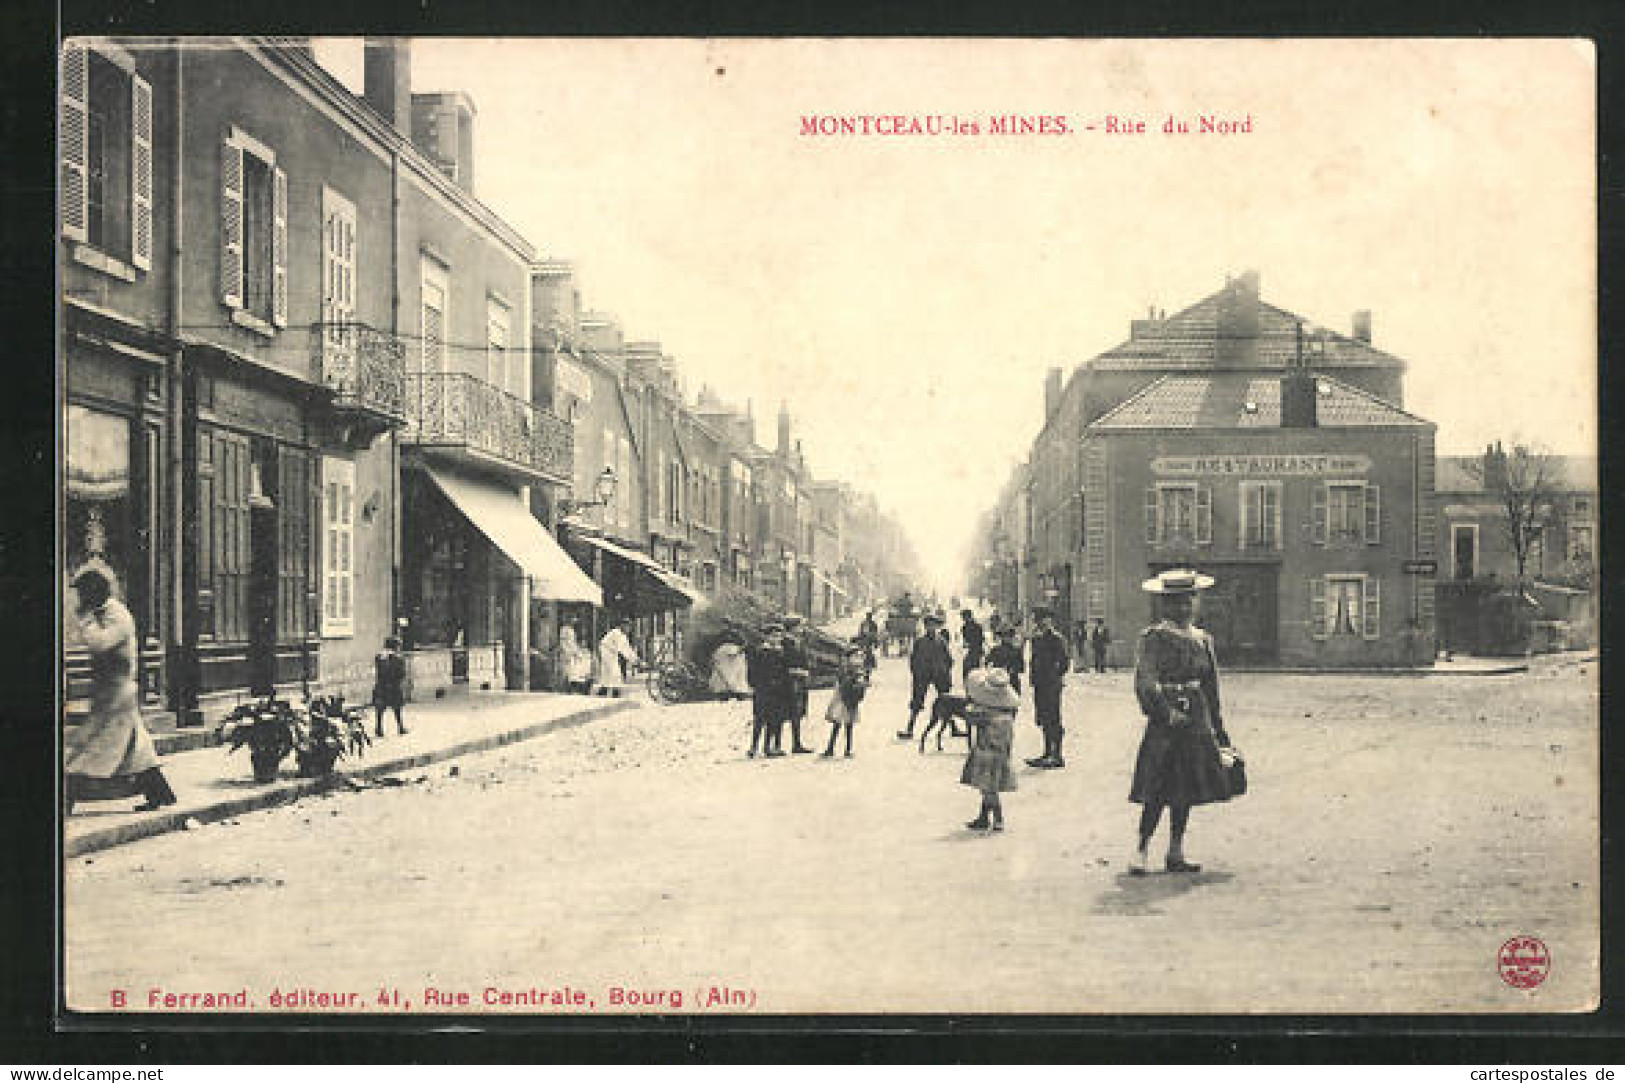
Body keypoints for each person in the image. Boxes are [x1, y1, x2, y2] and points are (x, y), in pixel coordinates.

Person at [1128, 569, 1234, 875]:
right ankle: (1141, 849)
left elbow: (1211, 687)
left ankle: (1176, 851)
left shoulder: (1203, 640)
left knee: (1185, 785)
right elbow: (1145, 679)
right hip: (1167, 721)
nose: (1183, 608)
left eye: (1188, 601)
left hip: (1196, 720)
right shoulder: (1154, 638)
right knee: (1157, 785)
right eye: (1175, 603)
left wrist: (1218, 728)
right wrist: (1164, 711)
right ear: (1164, 605)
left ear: (1195, 603)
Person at [64, 565, 177, 814]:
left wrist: (85, 620)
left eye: (83, 593)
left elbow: (100, 643)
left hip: (117, 694)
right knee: (136, 750)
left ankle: (65, 798)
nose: (81, 598)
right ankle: (161, 794)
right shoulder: (104, 612)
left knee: (88, 747)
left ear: (95, 592)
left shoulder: (117, 615)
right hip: (109, 692)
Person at [960, 667, 1020, 833]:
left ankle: (998, 818)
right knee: (987, 786)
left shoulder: (987, 714)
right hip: (1001, 753)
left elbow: (971, 718)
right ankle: (984, 817)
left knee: (988, 789)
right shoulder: (1007, 714)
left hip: (987, 753)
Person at [1025, 607, 1072, 769]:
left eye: (1042, 619)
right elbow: (1033, 661)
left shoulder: (1056, 639)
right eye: (1037, 620)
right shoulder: (1036, 639)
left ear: (1049, 620)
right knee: (1043, 718)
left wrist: (1054, 676)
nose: (1039, 623)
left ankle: (1057, 755)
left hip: (1051, 684)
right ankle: (1046, 753)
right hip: (1039, 683)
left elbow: (1065, 662)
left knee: (1053, 718)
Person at [898, 612, 953, 740]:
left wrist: (945, 673)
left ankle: (953, 728)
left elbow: (949, 659)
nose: (931, 628)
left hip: (939, 675)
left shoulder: (941, 641)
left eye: (933, 625)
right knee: (917, 702)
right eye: (928, 625)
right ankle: (909, 729)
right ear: (925, 627)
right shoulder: (920, 642)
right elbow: (913, 659)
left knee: (946, 701)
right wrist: (916, 674)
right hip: (923, 675)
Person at [746, 624, 790, 757]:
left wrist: (784, 685)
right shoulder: (760, 652)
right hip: (763, 690)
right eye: (773, 636)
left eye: (779, 636)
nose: (776, 639)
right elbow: (752, 670)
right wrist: (756, 685)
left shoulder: (781, 652)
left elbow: (784, 671)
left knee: (774, 719)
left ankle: (768, 747)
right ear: (767, 636)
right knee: (759, 719)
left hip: (778, 691)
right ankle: (753, 747)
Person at [821, 643, 871, 758]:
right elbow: (844, 684)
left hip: (852, 700)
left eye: (859, 656)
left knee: (849, 725)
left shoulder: (859, 669)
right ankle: (830, 748)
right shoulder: (844, 669)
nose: (858, 659)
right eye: (855, 656)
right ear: (849, 657)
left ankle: (848, 749)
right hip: (842, 699)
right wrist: (856, 680)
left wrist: (863, 683)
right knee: (837, 724)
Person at [780, 615, 815, 753]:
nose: (802, 629)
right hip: (790, 681)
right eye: (800, 626)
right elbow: (786, 663)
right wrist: (800, 672)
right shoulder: (786, 643)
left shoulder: (797, 641)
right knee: (788, 711)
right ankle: (777, 744)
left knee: (797, 712)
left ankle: (796, 743)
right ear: (793, 627)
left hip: (799, 680)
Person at [372, 635, 409, 736]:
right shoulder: (399, 658)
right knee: (397, 708)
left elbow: (378, 671)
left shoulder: (379, 656)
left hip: (381, 685)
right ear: (396, 646)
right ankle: (400, 727)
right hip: (394, 686)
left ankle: (379, 729)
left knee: (380, 709)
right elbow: (401, 673)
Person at [597, 617, 639, 691]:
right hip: (607, 650)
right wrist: (633, 660)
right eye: (627, 626)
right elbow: (622, 649)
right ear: (622, 626)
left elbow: (627, 648)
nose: (628, 629)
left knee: (607, 670)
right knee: (614, 669)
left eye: (629, 627)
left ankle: (603, 689)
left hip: (611, 651)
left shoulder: (622, 635)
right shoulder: (617, 633)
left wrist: (635, 658)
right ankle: (615, 689)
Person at [707, 630, 752, 700]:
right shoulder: (729, 648)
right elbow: (733, 653)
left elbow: (713, 661)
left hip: (726, 680)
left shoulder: (719, 649)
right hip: (731, 682)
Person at [986, 624, 1025, 693]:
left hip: (1008, 682)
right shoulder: (996, 650)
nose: (1007, 638)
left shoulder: (1015, 651)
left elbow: (1021, 668)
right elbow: (987, 663)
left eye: (1009, 636)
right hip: (999, 682)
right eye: (1005, 636)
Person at [558, 623, 593, 694]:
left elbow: (576, 649)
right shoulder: (564, 644)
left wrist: (580, 653)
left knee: (585, 659)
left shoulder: (573, 644)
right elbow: (567, 651)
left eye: (572, 635)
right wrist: (576, 654)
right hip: (571, 661)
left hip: (575, 659)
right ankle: (575, 685)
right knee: (575, 664)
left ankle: (582, 681)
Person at [959, 609, 986, 682]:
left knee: (971, 669)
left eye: (964, 617)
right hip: (974, 650)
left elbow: (980, 639)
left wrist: (968, 644)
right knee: (972, 668)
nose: (963, 619)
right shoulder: (966, 627)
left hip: (975, 650)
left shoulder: (971, 627)